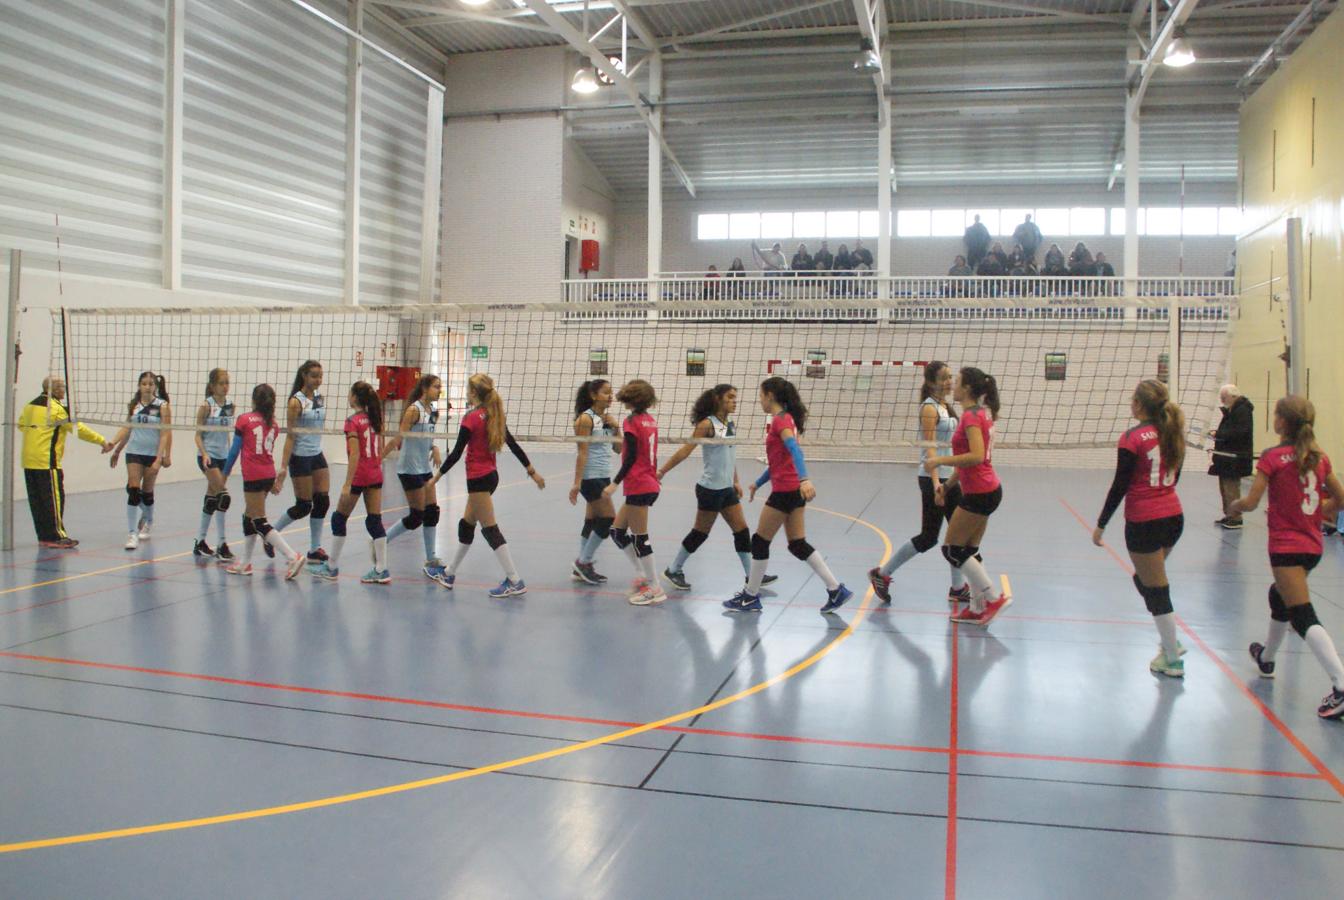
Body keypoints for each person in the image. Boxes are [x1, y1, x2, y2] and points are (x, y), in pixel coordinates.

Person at [1228, 395, 1344, 719]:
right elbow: (1341, 497)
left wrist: (1235, 506)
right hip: (1312, 548)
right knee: (1277, 597)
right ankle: (1267, 658)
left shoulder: (1272, 457)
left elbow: (1251, 502)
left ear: (1282, 422)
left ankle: (1341, 684)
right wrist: (1319, 512)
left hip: (1286, 548)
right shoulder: (1319, 457)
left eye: (1276, 415)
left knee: (1302, 614)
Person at [724, 377, 851, 614]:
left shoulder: (780, 421)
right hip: (791, 490)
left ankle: (750, 596)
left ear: (770, 396)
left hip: (785, 491)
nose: (760, 400)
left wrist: (805, 478)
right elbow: (779, 462)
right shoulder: (787, 419)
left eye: (761, 395)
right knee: (797, 544)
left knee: (760, 542)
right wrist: (758, 483)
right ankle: (836, 589)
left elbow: (794, 450)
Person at [1092, 380, 1187, 677]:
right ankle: (1170, 638)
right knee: (1147, 581)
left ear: (1139, 405)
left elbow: (1120, 484)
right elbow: (1177, 473)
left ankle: (1172, 658)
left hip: (1144, 521)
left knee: (1157, 589)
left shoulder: (1132, 438)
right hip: (1173, 516)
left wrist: (1101, 524)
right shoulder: (1171, 431)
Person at [431, 373, 545, 596]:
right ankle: (450, 572)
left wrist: (436, 478)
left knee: (490, 529)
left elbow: (456, 452)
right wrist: (532, 471)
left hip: (478, 479)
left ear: (473, 393)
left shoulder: (471, 417)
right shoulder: (495, 415)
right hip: (490, 477)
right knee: (466, 525)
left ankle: (514, 580)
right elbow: (513, 445)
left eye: (467, 389)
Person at [869, 362, 973, 606]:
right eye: (945, 378)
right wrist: (938, 484)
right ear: (931, 382)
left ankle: (957, 587)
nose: (950, 381)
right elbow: (930, 450)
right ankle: (882, 574)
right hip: (933, 478)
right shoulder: (929, 408)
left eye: (950, 377)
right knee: (929, 537)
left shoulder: (946, 406)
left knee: (956, 535)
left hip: (949, 476)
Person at [658, 384, 776, 592]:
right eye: (730, 397)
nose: (734, 401)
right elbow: (685, 451)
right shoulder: (707, 424)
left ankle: (752, 575)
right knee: (700, 533)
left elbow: (730, 454)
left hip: (726, 489)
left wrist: (736, 480)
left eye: (735, 397)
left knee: (742, 531)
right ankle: (673, 569)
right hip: (710, 490)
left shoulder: (729, 423)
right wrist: (661, 472)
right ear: (718, 399)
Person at [923, 367, 1011, 627]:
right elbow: (970, 463)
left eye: (958, 382)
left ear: (969, 389)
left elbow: (975, 455)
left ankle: (993, 598)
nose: (954, 386)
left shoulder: (972, 417)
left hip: (981, 492)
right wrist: (948, 486)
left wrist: (940, 459)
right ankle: (975, 608)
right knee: (969, 551)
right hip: (985, 489)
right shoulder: (979, 414)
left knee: (952, 549)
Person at [221, 384, 305, 579]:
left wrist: (224, 474)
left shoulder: (244, 420)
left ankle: (292, 556)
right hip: (268, 474)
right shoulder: (273, 424)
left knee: (259, 521)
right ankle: (245, 563)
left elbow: (234, 451)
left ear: (253, 401)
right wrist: (276, 481)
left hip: (252, 474)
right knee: (249, 517)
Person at [18, 376, 112, 548]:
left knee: (37, 501)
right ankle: (57, 536)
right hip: (47, 462)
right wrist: (102, 441)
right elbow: (79, 430)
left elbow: (21, 425)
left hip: (28, 460)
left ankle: (44, 537)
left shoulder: (29, 405)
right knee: (53, 500)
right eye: (62, 386)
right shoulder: (56, 409)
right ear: (53, 389)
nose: (65, 389)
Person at [312, 382, 389, 584]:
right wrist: (375, 465)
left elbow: (355, 454)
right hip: (375, 474)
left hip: (360, 475)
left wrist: (347, 483)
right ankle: (381, 568)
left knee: (339, 519)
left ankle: (331, 566)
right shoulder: (376, 420)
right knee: (374, 520)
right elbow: (380, 449)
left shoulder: (352, 421)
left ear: (354, 397)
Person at [601, 379, 666, 606]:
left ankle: (654, 586)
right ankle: (642, 576)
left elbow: (629, 457)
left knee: (641, 538)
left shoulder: (631, 422)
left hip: (638, 484)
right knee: (617, 531)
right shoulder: (650, 420)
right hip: (647, 482)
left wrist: (615, 483)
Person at [381, 374, 446, 585]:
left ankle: (430, 559)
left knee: (432, 512)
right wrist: (377, 459)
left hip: (424, 467)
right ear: (425, 388)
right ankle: (380, 542)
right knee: (416, 516)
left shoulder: (433, 411)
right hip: (409, 468)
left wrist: (435, 447)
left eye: (440, 387)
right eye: (436, 387)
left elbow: (428, 438)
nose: (439, 391)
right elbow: (400, 438)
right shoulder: (414, 410)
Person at [274, 360, 330, 568]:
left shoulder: (319, 398)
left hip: (317, 454)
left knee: (322, 501)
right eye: (314, 375)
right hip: (300, 456)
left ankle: (315, 549)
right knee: (304, 505)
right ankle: (272, 533)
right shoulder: (295, 402)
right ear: (304, 376)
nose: (318, 380)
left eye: (320, 376)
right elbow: (290, 436)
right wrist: (283, 466)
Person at [109, 372, 172, 550]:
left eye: (150, 384)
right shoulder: (134, 406)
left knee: (147, 492)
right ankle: (131, 534)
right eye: (144, 383)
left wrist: (160, 458)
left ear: (155, 386)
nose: (147, 386)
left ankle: (148, 520)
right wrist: (115, 447)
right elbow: (128, 429)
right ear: (139, 386)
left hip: (152, 454)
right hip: (134, 452)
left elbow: (165, 433)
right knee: (133, 490)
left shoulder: (162, 406)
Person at [570, 378, 618, 585]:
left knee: (591, 521)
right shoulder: (585, 419)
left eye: (611, 392)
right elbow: (582, 453)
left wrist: (617, 428)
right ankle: (583, 562)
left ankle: (582, 566)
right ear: (593, 395)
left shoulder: (606, 419)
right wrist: (576, 483)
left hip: (604, 475)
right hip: (591, 477)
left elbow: (619, 449)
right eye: (606, 392)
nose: (611, 396)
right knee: (608, 519)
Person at [193, 368, 235, 561]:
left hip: (223, 457)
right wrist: (204, 454)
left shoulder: (230, 405)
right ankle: (222, 543)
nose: (225, 386)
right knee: (223, 497)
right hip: (208, 457)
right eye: (221, 383)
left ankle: (200, 541)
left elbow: (226, 431)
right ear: (212, 386)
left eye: (227, 382)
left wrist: (230, 454)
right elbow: (198, 435)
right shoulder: (206, 406)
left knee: (212, 499)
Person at [1209, 384, 1254, 529]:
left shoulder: (1242, 411)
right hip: (1226, 457)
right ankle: (1229, 514)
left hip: (1234, 457)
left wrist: (1219, 434)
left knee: (1231, 487)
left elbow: (1239, 432)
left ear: (1233, 396)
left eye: (1224, 398)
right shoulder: (1232, 410)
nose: (1222, 401)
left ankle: (1235, 517)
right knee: (1225, 487)